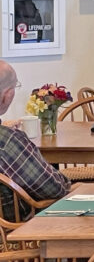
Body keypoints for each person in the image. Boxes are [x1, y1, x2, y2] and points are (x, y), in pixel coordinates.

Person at [0, 61, 70, 220]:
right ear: (8, 95)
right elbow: (55, 189)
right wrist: (65, 182)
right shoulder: (8, 141)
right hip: (15, 234)